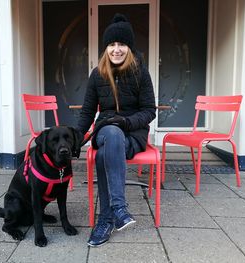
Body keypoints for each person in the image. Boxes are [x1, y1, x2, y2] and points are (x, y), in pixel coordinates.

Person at [77, 13, 156, 247]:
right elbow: (87, 112)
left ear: (129, 47)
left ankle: (106, 218)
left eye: (121, 44)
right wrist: (76, 139)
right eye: (112, 44)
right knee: (111, 133)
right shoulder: (97, 74)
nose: (116, 49)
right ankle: (120, 207)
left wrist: (127, 123)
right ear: (106, 48)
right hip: (105, 131)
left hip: (133, 134)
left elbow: (149, 110)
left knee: (104, 154)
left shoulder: (140, 72)